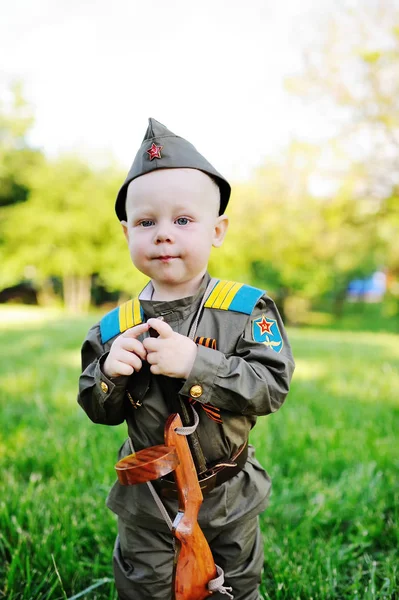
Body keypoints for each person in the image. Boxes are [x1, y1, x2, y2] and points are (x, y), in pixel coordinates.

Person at [78, 118, 295, 600]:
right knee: (144, 586)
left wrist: (196, 362)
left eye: (183, 220)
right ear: (126, 232)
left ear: (217, 231)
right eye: (146, 222)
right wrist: (110, 375)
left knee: (233, 585)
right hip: (147, 497)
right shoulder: (114, 328)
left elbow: (271, 386)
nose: (162, 235)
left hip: (227, 493)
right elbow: (97, 407)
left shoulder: (245, 311)